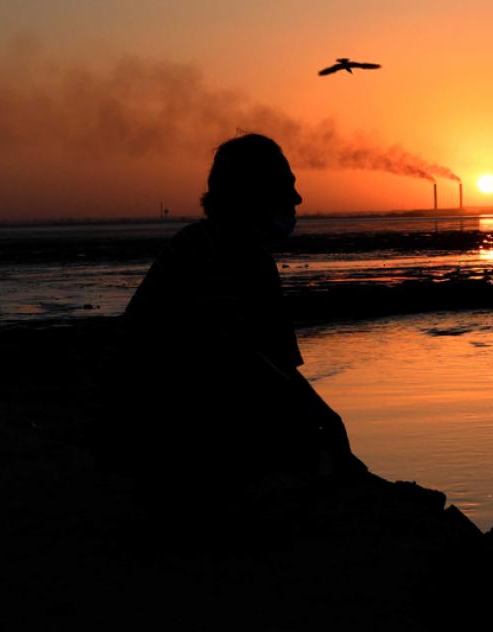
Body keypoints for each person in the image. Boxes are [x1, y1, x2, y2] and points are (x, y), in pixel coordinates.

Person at [95, 133, 364, 508]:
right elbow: (233, 361)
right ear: (255, 193)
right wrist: (319, 423)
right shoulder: (208, 251)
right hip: (144, 423)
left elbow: (277, 363)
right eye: (287, 186)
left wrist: (326, 418)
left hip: (166, 415)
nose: (298, 199)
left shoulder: (248, 259)